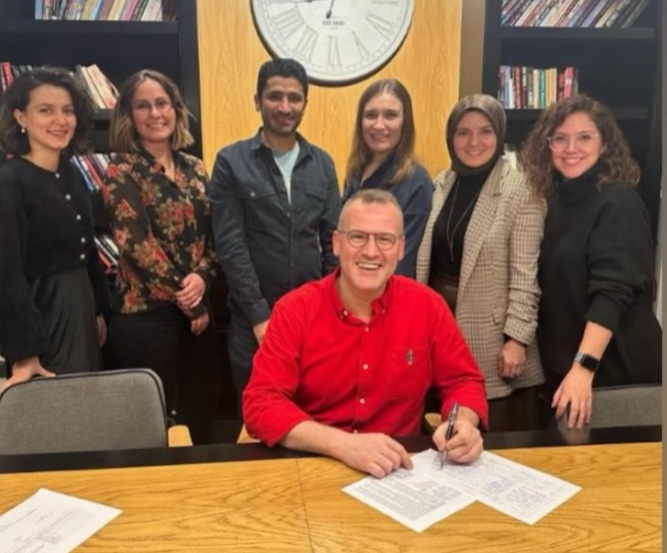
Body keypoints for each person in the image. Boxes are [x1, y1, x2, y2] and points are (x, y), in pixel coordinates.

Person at [243, 189, 487, 478]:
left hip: (400, 471)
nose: (371, 251)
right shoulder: (294, 310)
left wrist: (464, 423)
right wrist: (343, 445)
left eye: (384, 239)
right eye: (358, 237)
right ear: (336, 243)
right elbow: (261, 403)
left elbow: (463, 381)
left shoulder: (427, 306)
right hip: (314, 465)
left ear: (401, 248)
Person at [521, 94, 661, 429]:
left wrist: (583, 368)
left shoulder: (618, 201)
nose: (571, 148)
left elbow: (611, 294)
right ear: (548, 146)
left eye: (584, 137)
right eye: (560, 138)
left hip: (615, 376)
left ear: (606, 144)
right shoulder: (556, 202)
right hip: (572, 372)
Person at [210, 58, 341, 395]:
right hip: (253, 321)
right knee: (257, 416)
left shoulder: (322, 164)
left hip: (313, 320)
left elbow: (333, 241)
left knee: (313, 411)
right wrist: (259, 317)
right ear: (258, 101)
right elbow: (231, 245)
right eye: (274, 96)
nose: (285, 107)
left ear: (305, 104)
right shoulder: (231, 162)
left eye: (294, 98)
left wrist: (330, 309)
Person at [416, 94, 546, 432]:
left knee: (488, 443)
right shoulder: (443, 183)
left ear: (499, 134)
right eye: (463, 132)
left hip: (493, 341)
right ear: (451, 137)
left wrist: (517, 339)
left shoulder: (522, 189)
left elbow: (525, 275)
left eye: (485, 131)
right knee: (442, 439)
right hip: (439, 328)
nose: (474, 142)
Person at [101, 69, 217, 418]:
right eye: (143, 106)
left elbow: (213, 235)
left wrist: (203, 278)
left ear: (175, 109)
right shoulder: (121, 170)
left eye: (162, 103)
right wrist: (190, 302)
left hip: (199, 309)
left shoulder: (195, 167)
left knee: (201, 415)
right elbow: (137, 246)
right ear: (129, 115)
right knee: (153, 421)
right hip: (145, 316)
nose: (155, 113)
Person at [0, 66, 109, 393]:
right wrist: (24, 351)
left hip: (81, 304)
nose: (60, 120)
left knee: (89, 402)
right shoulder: (6, 182)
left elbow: (89, 250)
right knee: (56, 408)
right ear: (21, 117)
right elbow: (8, 272)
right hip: (42, 313)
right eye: (45, 110)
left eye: (67, 111)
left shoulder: (72, 175)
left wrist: (98, 311)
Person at [343, 79, 432, 277]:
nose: (379, 125)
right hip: (352, 282)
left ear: (405, 123)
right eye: (371, 115)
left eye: (390, 115)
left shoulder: (416, 181)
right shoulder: (355, 172)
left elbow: (402, 261)